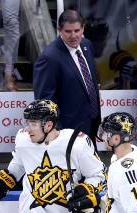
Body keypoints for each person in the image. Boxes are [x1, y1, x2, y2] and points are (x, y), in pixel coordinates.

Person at [33, 10, 101, 145]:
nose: (73, 35)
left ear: (83, 28)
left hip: (91, 124)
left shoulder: (87, 45)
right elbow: (45, 101)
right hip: (67, 132)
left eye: (77, 30)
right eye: (68, 31)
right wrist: (58, 131)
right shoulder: (49, 57)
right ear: (59, 30)